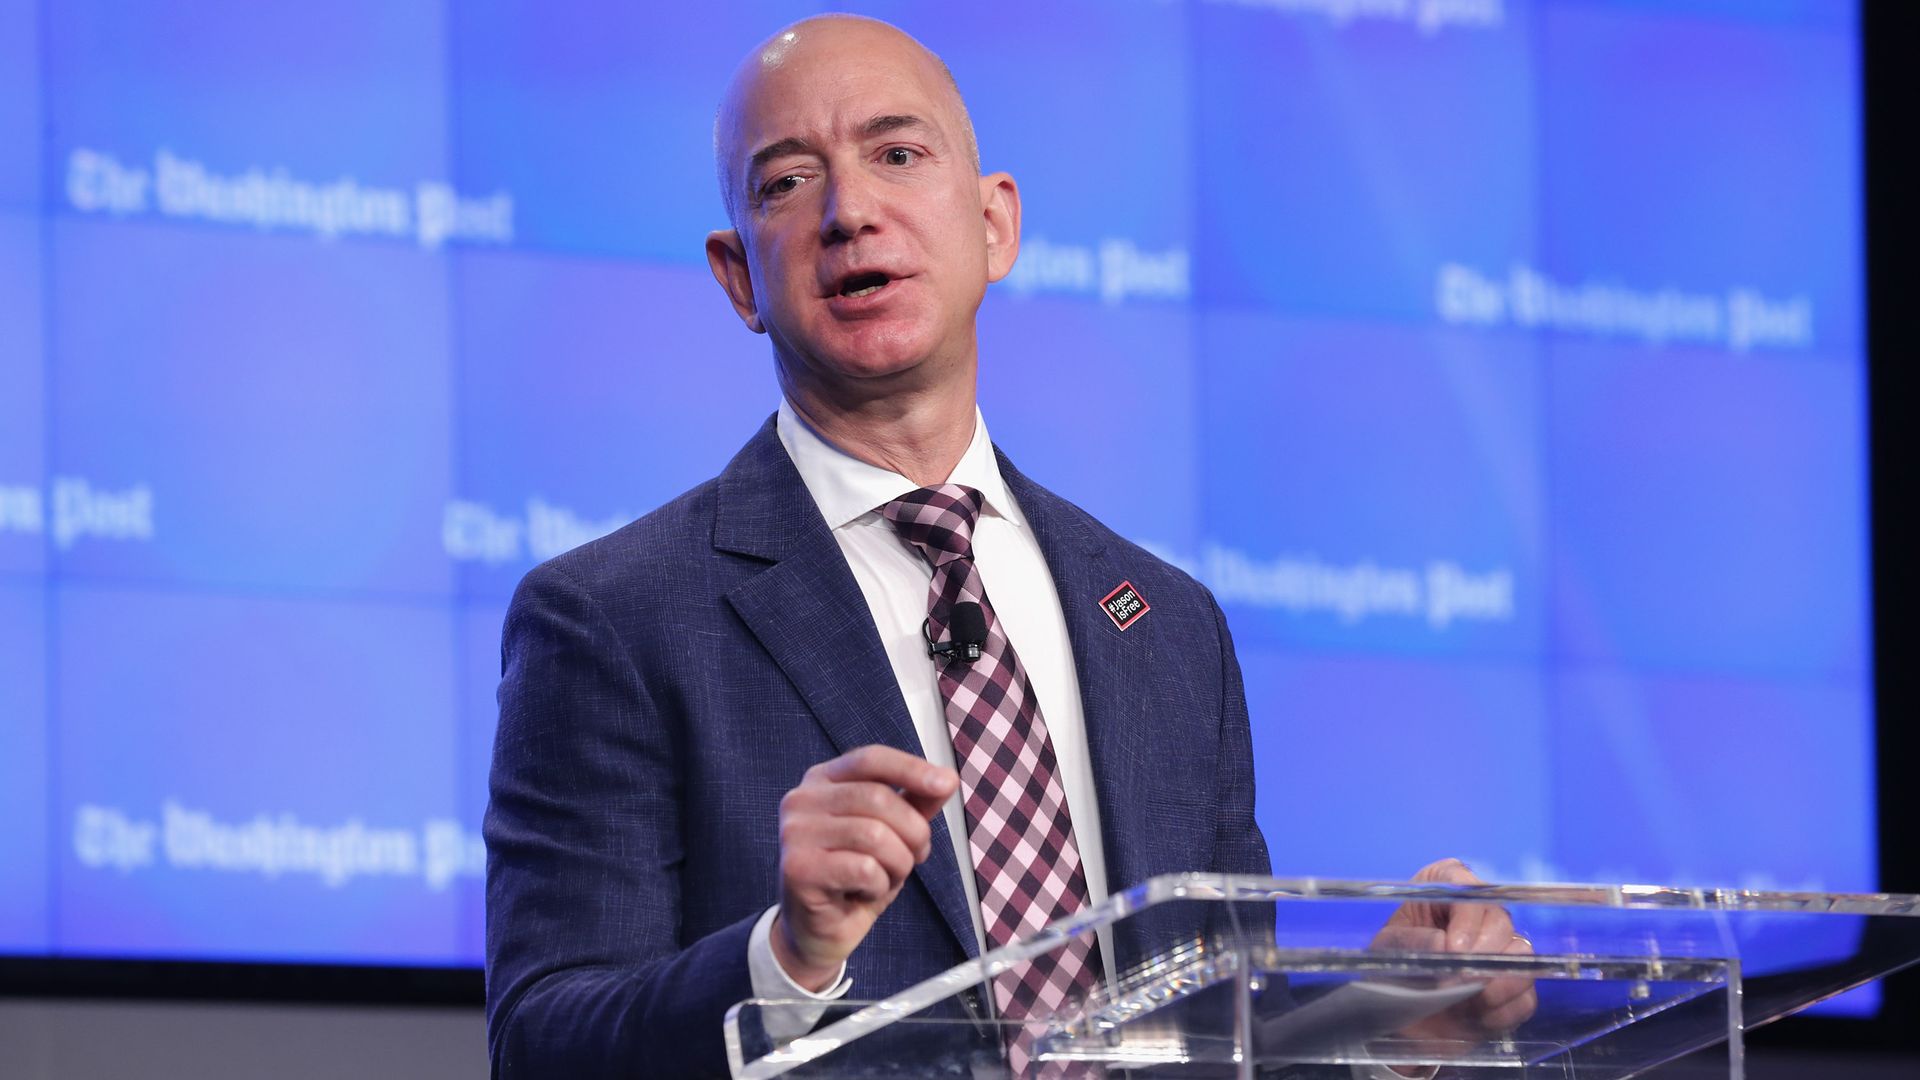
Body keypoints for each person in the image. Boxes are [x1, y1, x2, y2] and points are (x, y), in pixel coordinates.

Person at [484, 15, 1532, 1079]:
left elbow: (1223, 1040)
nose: (851, 212)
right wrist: (786, 958)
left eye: (898, 155)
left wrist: (1382, 1027)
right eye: (788, 183)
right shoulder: (616, 618)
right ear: (740, 277)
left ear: (995, 225)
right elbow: (543, 1043)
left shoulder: (1167, 627)